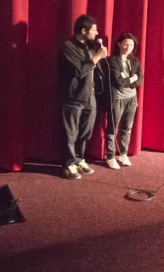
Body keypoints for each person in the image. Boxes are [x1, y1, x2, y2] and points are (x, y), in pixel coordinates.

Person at [58, 15, 107, 180]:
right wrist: (97, 57)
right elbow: (78, 71)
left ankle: (79, 159)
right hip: (73, 98)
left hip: (90, 97)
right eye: (94, 30)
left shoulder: (90, 47)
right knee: (70, 134)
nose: (97, 32)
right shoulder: (68, 47)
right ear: (83, 30)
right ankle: (69, 164)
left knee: (85, 132)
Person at [102, 33, 142, 169]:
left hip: (132, 99)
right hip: (117, 98)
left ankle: (123, 154)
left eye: (131, 45)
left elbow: (140, 79)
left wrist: (131, 80)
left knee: (127, 128)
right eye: (125, 44)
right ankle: (110, 156)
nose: (128, 47)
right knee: (112, 128)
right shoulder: (112, 60)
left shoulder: (135, 61)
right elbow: (118, 82)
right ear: (119, 44)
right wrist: (132, 79)